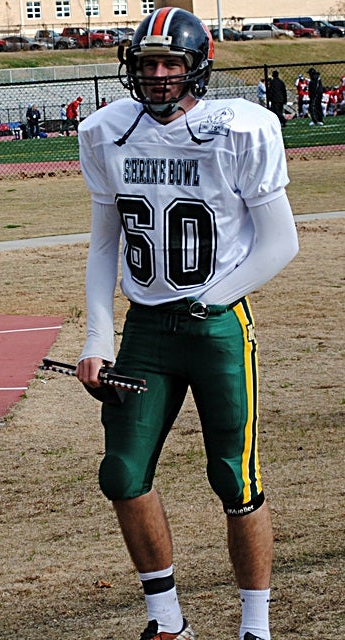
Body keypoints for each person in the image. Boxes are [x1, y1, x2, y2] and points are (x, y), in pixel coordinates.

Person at [76, 7, 299, 640]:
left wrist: (212, 299)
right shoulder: (107, 131)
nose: (160, 75)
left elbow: (280, 243)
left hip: (217, 324)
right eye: (148, 63)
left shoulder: (241, 128)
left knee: (234, 475)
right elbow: (103, 244)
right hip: (147, 326)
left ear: (197, 65)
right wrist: (98, 336)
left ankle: (255, 625)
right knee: (121, 472)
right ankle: (166, 620)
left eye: (172, 62)